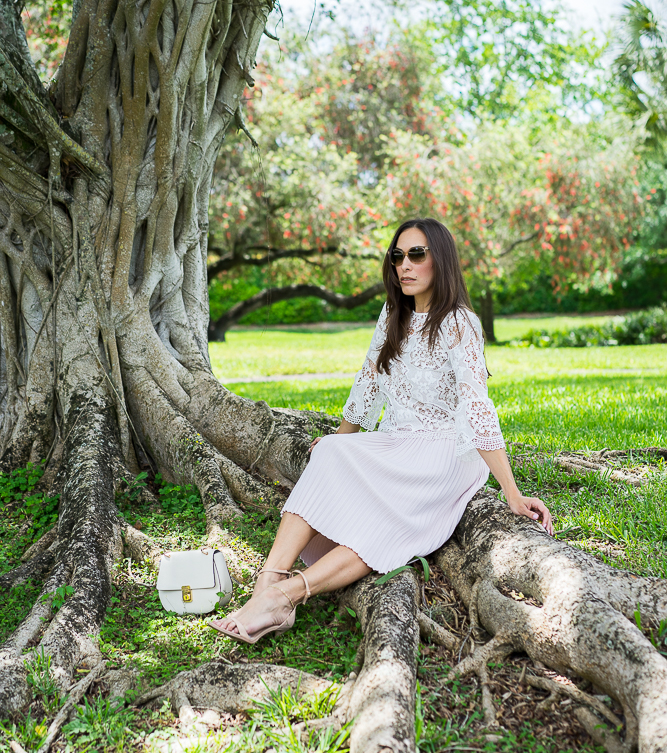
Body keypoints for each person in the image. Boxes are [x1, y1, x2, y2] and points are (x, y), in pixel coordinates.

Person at [209, 218, 553, 644]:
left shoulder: (460, 323)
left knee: (381, 525)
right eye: (397, 256)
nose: (403, 265)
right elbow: (369, 381)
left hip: (443, 454)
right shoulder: (393, 313)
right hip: (395, 441)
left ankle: (286, 596)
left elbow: (477, 407)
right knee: (331, 453)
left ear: (440, 261)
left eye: (416, 255)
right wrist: (343, 433)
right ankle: (269, 580)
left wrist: (512, 493)